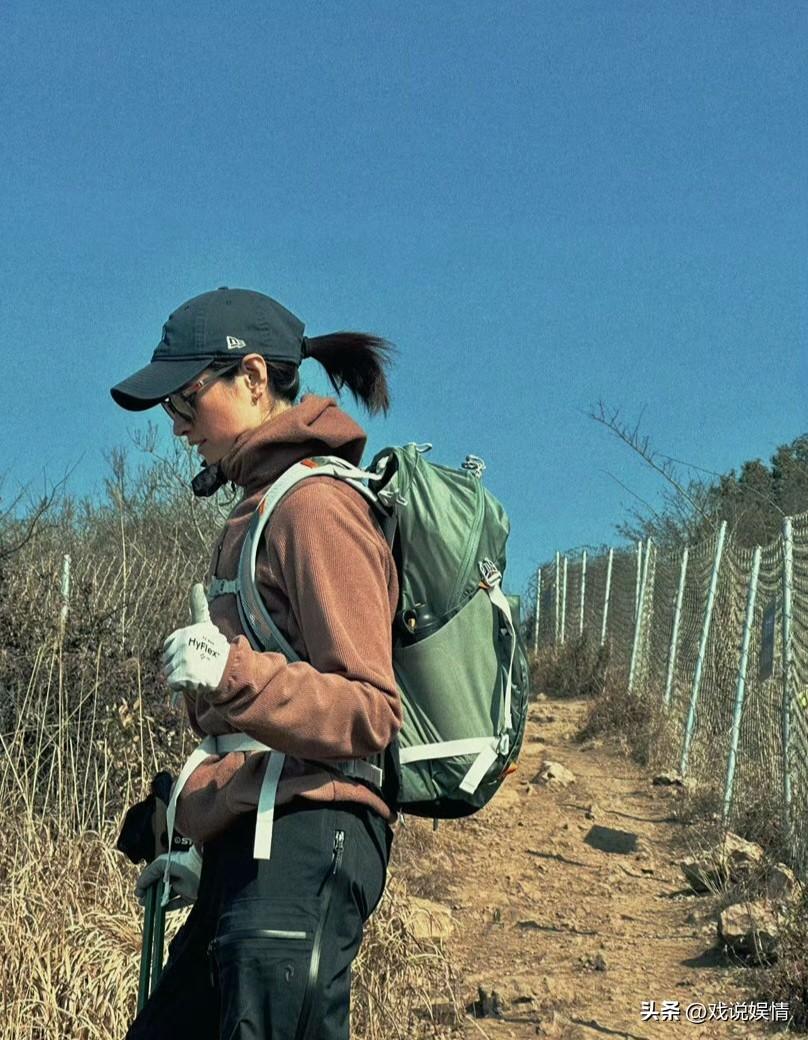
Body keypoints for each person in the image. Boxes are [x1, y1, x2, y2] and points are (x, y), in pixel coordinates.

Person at [110, 286, 401, 1040]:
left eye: (185, 399)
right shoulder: (257, 510)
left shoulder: (316, 509)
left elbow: (369, 711)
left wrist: (231, 673)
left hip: (307, 846)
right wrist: (190, 825)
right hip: (256, 847)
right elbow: (251, 742)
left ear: (252, 379)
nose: (177, 426)